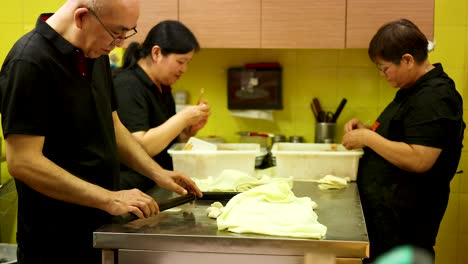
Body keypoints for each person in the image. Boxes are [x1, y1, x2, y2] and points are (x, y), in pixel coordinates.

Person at [0, 0, 202, 263]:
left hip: (99, 225)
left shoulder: (94, 53)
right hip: (56, 239)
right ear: (82, 17)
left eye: (127, 33)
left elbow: (113, 126)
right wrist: (108, 198)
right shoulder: (30, 61)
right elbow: (23, 162)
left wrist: (158, 173)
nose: (119, 43)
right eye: (116, 32)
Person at [342, 18, 464, 263]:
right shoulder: (412, 91)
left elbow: (420, 159)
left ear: (407, 60)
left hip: (406, 226)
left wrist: (367, 137)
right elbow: (400, 139)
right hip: (387, 223)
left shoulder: (435, 97)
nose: (382, 74)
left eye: (384, 67)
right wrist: (368, 132)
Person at [113, 20, 210, 191]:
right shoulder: (127, 85)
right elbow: (140, 148)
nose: (184, 69)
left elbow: (164, 144)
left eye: (188, 62)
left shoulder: (162, 88)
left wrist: (187, 132)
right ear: (156, 53)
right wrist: (182, 118)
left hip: (156, 184)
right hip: (131, 188)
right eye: (181, 62)